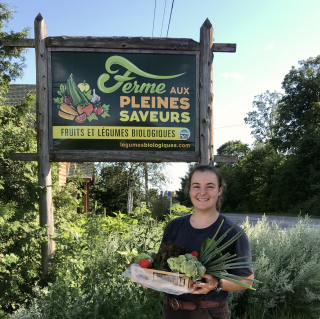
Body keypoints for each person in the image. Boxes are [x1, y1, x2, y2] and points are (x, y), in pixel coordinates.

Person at [160, 164, 254, 319]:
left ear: (219, 190)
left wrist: (216, 283)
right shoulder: (173, 226)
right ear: (189, 190)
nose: (202, 192)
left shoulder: (232, 232)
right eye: (196, 186)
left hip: (210, 313)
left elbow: (247, 280)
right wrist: (145, 277)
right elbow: (161, 268)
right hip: (172, 311)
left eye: (209, 186)